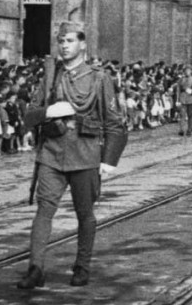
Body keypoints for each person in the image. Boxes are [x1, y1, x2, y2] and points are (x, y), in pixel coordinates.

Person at [17, 21, 128, 289]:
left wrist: (108, 160)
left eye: (69, 41)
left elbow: (115, 122)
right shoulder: (50, 76)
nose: (64, 46)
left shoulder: (99, 78)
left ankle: (81, 266)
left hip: (85, 154)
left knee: (84, 213)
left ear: (82, 44)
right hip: (52, 153)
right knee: (44, 210)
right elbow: (28, 117)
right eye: (61, 41)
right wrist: (48, 112)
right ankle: (36, 269)